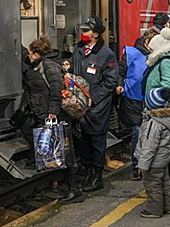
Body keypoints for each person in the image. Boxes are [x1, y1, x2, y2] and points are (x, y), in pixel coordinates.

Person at [25, 36, 84, 204]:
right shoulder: (38, 66)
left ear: (36, 53)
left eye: (30, 53)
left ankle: (74, 189)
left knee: (63, 151)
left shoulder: (48, 66)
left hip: (54, 115)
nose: (28, 56)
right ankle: (73, 186)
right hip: (44, 113)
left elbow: (56, 89)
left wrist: (52, 112)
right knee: (59, 150)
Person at [72, 16, 119, 193]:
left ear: (96, 34)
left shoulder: (106, 54)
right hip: (80, 105)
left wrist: (94, 97)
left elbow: (111, 80)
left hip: (97, 106)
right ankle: (88, 172)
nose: (82, 34)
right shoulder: (78, 50)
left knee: (97, 140)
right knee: (85, 140)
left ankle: (97, 177)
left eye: (86, 31)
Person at [143, 27, 170, 199]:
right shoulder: (163, 62)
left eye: (151, 48)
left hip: (161, 111)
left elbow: (168, 86)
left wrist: (157, 100)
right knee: (166, 151)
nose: (149, 51)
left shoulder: (164, 63)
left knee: (165, 152)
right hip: (158, 108)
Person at [116, 29, 158, 180]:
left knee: (150, 133)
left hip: (151, 99)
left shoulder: (159, 55)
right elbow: (121, 71)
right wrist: (120, 84)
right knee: (138, 132)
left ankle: (146, 164)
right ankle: (137, 166)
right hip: (133, 98)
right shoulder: (131, 53)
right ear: (146, 42)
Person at [136, 87, 170, 219]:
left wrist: (142, 165)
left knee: (153, 186)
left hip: (153, 162)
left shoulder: (154, 123)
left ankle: (154, 210)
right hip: (163, 159)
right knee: (165, 183)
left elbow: (149, 146)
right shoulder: (167, 120)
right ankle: (168, 206)